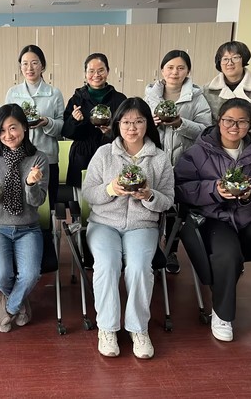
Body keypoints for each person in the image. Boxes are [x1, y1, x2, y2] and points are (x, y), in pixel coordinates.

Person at [174, 98, 251, 346]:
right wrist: (214, 190)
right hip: (214, 217)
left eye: (241, 122)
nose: (234, 126)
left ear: (250, 125)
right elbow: (180, 188)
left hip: (249, 215)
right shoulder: (198, 152)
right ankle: (222, 314)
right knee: (227, 255)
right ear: (218, 121)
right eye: (228, 120)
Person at [82, 97, 174, 360]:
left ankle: (138, 328)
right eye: (126, 122)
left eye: (138, 121)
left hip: (142, 225)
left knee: (138, 267)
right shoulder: (104, 154)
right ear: (117, 124)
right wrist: (110, 189)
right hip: (103, 224)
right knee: (106, 264)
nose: (132, 128)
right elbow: (88, 193)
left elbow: (168, 199)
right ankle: (107, 328)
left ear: (147, 124)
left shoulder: (159, 158)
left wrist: (149, 196)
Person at [0, 104, 49, 333]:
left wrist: (31, 184)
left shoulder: (38, 159)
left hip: (28, 229)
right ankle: (20, 302)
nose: (8, 135)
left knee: (30, 275)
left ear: (24, 127)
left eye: (13, 128)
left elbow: (37, 202)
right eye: (2, 130)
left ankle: (9, 308)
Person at [143, 49, 211, 274]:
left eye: (180, 68)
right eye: (170, 67)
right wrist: (150, 124)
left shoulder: (197, 97)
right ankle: (151, 249)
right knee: (152, 204)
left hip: (184, 162)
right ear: (162, 70)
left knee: (176, 209)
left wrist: (180, 123)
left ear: (188, 71)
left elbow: (206, 131)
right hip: (154, 162)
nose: (175, 72)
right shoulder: (150, 96)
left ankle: (171, 249)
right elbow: (135, 127)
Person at [5, 45, 64, 206]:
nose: (29, 68)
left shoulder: (54, 93)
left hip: (48, 157)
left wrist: (47, 122)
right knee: (22, 202)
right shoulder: (12, 93)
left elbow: (61, 127)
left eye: (34, 63)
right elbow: (6, 125)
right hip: (19, 157)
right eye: (25, 64)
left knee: (48, 204)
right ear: (20, 67)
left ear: (42, 66)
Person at [61, 53, 126, 193]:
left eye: (100, 70)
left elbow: (128, 130)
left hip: (111, 154)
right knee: (83, 198)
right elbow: (66, 132)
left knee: (111, 193)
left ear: (108, 71)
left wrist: (111, 132)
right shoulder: (77, 99)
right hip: (82, 155)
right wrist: (74, 121)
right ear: (85, 74)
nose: (96, 75)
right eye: (91, 71)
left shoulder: (120, 99)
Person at [203, 41, 251, 136]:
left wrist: (245, 123)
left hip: (248, 142)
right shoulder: (207, 90)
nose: (229, 63)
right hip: (215, 141)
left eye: (235, 58)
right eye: (225, 59)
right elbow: (203, 122)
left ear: (244, 60)